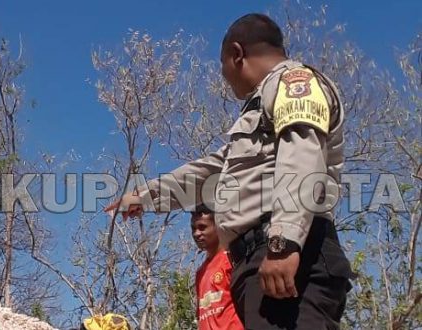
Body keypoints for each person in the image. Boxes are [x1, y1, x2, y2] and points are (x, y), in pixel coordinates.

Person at [104, 13, 354, 329]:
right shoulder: (260, 107)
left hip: (290, 256)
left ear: (237, 54)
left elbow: (302, 157)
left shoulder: (293, 83)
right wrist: (145, 196)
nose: (224, 76)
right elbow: (211, 171)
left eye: (222, 65)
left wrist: (283, 244)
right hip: (258, 262)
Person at [191, 207, 243, 330]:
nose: (196, 233)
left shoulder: (232, 260)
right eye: (193, 229)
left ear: (218, 227)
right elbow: (201, 315)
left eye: (202, 227)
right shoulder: (200, 272)